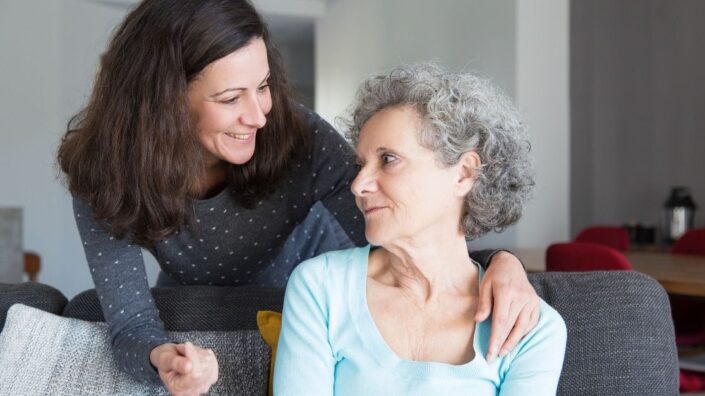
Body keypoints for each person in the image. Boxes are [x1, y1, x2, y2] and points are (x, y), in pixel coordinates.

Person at [57, 1, 540, 394]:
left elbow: (412, 228)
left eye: (263, 86)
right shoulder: (105, 175)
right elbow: (130, 325)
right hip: (199, 303)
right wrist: (162, 356)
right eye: (230, 99)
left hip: (319, 296)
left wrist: (499, 262)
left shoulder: (297, 137)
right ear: (161, 102)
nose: (259, 115)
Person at [275, 63, 567, 395]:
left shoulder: (531, 328)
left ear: (463, 174)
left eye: (388, 159)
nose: (358, 185)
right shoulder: (320, 287)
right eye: (360, 165)